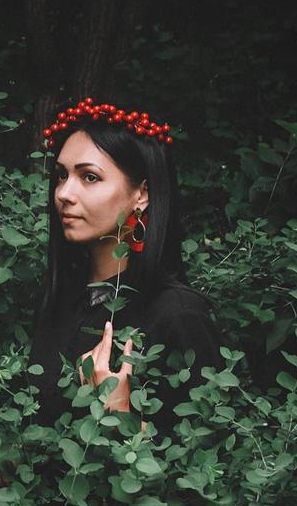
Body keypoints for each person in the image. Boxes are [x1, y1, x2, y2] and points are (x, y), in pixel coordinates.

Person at [28, 98, 222, 434]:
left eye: (89, 177)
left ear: (142, 194)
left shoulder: (178, 315)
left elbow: (209, 465)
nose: (64, 193)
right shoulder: (61, 301)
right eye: (61, 175)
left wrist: (120, 414)